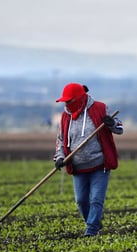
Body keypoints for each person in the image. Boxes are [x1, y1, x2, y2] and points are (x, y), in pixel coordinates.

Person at [54, 83, 123, 237]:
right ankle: (94, 222)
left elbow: (119, 128)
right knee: (81, 201)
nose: (66, 104)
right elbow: (60, 139)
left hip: (100, 165)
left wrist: (111, 124)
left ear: (79, 98)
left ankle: (91, 231)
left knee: (96, 200)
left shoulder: (100, 108)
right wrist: (60, 157)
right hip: (78, 167)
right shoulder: (65, 116)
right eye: (65, 101)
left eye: (69, 101)